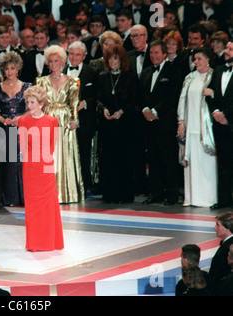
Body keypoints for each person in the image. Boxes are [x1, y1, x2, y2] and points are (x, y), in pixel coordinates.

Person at [35, 45, 84, 204]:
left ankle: (67, 193)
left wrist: (75, 121)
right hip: (46, 121)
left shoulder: (72, 81)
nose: (53, 64)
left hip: (64, 122)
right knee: (48, 157)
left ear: (62, 62)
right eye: (50, 61)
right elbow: (37, 104)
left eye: (56, 61)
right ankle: (48, 193)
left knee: (65, 156)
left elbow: (74, 104)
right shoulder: (40, 81)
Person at [18, 85, 64, 252]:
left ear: (41, 103)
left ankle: (51, 242)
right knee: (32, 206)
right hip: (30, 168)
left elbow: (52, 146)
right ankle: (35, 243)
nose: (29, 106)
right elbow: (22, 147)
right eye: (27, 102)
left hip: (46, 167)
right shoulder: (23, 121)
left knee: (48, 204)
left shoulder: (52, 121)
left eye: (32, 102)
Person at [139, 40, 182, 206]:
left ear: (164, 53)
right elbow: (140, 95)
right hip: (148, 123)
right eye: (151, 53)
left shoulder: (174, 71)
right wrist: (144, 110)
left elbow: (173, 96)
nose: (153, 56)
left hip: (165, 122)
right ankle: (155, 194)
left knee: (168, 159)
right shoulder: (147, 72)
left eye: (157, 52)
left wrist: (155, 111)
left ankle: (171, 195)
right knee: (153, 158)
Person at [177, 47, 217, 208]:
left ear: (207, 59)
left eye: (199, 58)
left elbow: (220, 96)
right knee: (191, 162)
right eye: (195, 59)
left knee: (206, 162)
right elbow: (182, 99)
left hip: (206, 127)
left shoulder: (214, 75)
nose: (196, 62)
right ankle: (191, 197)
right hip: (191, 125)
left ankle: (207, 198)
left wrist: (212, 93)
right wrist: (181, 121)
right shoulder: (190, 77)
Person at [0, 51, 31, 206]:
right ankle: (10, 198)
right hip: (4, 130)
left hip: (23, 129)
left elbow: (32, 107)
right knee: (8, 164)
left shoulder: (27, 86)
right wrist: (2, 119)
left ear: (18, 68)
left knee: (22, 162)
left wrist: (20, 118)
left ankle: (24, 197)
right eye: (6, 69)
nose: (9, 72)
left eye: (12, 68)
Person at [97, 44, 136, 203]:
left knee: (124, 159)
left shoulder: (130, 77)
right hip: (107, 125)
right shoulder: (102, 76)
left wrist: (122, 112)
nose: (112, 62)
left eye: (115, 58)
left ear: (121, 59)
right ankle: (109, 194)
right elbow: (99, 98)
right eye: (109, 59)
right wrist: (104, 109)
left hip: (125, 125)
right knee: (108, 159)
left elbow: (134, 100)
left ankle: (124, 195)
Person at [64, 41, 100, 196]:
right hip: (64, 121)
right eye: (71, 54)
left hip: (85, 121)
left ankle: (84, 186)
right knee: (66, 154)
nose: (74, 57)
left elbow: (98, 95)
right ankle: (67, 185)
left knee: (84, 154)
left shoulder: (93, 72)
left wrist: (84, 103)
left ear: (84, 56)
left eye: (77, 54)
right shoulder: (61, 71)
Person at [205, 39, 233, 210]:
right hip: (219, 124)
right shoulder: (218, 70)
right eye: (227, 48)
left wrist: (227, 116)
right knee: (223, 163)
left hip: (230, 122)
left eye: (230, 49)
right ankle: (224, 200)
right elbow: (209, 93)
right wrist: (215, 112)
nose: (227, 51)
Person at [209, 212, 233, 289]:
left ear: (227, 228)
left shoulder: (227, 248)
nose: (215, 228)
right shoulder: (227, 244)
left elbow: (220, 272)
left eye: (218, 225)